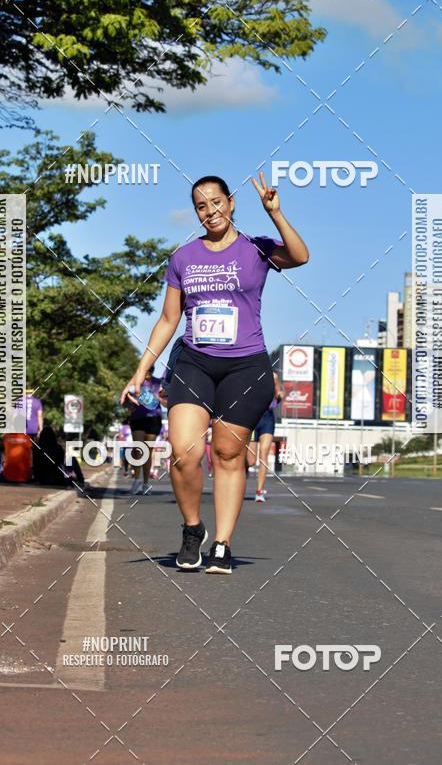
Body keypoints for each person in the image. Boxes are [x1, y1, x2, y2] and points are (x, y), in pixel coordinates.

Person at [121, 171, 308, 574]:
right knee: (184, 450)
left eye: (216, 202)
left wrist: (276, 214)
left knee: (227, 453)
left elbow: (299, 256)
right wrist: (142, 370)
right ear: (197, 213)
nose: (210, 211)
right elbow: (169, 319)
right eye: (201, 206)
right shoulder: (183, 257)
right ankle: (192, 528)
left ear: (231, 202)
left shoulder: (257, 249)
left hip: (245, 365)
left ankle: (221, 544)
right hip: (194, 361)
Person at [126, 366, 162, 495]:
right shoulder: (136, 382)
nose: (147, 374)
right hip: (138, 418)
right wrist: (132, 404)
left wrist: (160, 398)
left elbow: (164, 398)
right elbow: (128, 394)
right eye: (144, 371)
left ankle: (146, 483)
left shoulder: (158, 382)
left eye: (149, 371)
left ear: (152, 371)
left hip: (154, 418)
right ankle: (136, 480)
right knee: (138, 449)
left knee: (147, 451)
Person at [249, 371, 282, 502]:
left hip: (267, 420)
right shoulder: (254, 379)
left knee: (264, 455)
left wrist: (275, 382)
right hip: (252, 419)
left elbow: (278, 396)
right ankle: (240, 473)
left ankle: (259, 491)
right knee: (251, 461)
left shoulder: (274, 382)